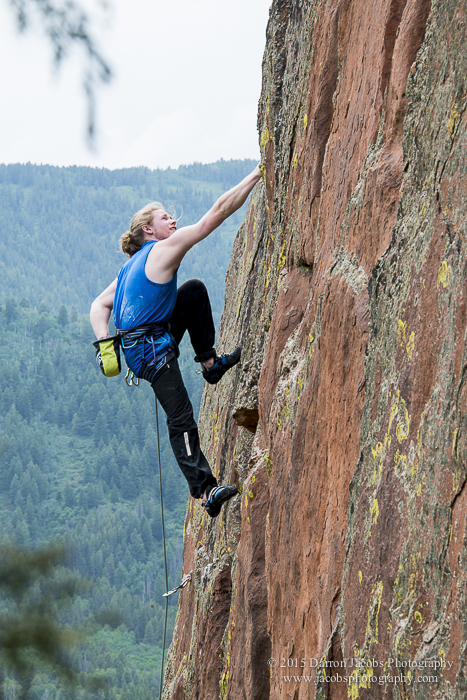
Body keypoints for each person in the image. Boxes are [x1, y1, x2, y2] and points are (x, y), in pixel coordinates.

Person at [90, 164, 261, 517]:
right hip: (152, 352)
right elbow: (214, 216)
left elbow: (98, 305)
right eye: (165, 217)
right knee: (181, 417)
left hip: (144, 340)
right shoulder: (163, 249)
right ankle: (205, 491)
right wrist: (257, 174)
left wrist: (106, 344)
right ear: (148, 230)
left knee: (194, 292)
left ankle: (211, 365)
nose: (172, 221)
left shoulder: (130, 266)